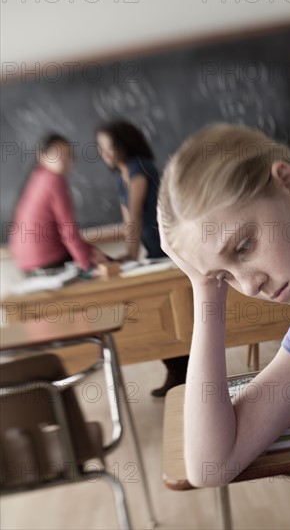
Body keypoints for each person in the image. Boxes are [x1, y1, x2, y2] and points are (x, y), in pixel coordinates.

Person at [157, 123, 290, 486]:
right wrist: (205, 286)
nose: (250, 285)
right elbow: (211, 465)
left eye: (243, 247)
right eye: (226, 276)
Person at [96, 120, 189, 397]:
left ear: (123, 144)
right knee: (158, 309)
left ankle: (180, 372)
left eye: (108, 147)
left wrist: (132, 253)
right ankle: (177, 371)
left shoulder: (140, 167)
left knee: (173, 311)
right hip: (153, 250)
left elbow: (135, 214)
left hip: (170, 247)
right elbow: (128, 222)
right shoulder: (119, 175)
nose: (105, 154)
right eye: (100, 149)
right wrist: (129, 255)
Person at [9, 134, 107, 277]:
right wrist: (87, 266)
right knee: (105, 265)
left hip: (27, 266)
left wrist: (89, 251)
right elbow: (68, 231)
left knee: (95, 255)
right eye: (57, 154)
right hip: (48, 262)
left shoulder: (37, 176)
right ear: (41, 156)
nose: (65, 159)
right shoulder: (54, 180)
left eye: (68, 154)